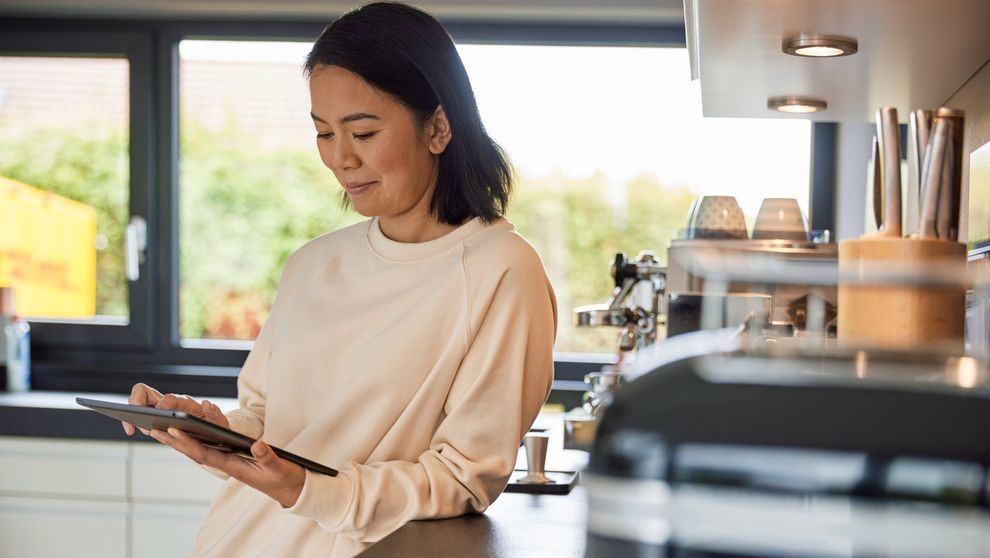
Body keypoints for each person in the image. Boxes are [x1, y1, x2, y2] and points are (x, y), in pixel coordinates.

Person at [121, 2, 557, 557]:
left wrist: (310, 490)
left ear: (439, 127)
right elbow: (264, 420)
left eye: (364, 132)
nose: (341, 159)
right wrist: (210, 426)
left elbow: (465, 478)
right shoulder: (311, 265)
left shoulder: (502, 270)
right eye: (324, 134)